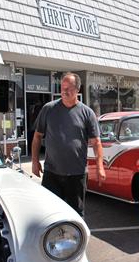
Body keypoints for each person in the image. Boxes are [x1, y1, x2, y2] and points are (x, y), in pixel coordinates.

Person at [31, 72, 106, 216]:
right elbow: (37, 137)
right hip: (52, 173)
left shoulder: (87, 113)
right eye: (62, 87)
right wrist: (35, 161)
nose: (64, 91)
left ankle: (77, 239)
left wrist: (100, 166)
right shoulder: (48, 109)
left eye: (69, 88)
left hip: (76, 174)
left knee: (75, 214)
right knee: (49, 213)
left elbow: (96, 142)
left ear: (78, 90)